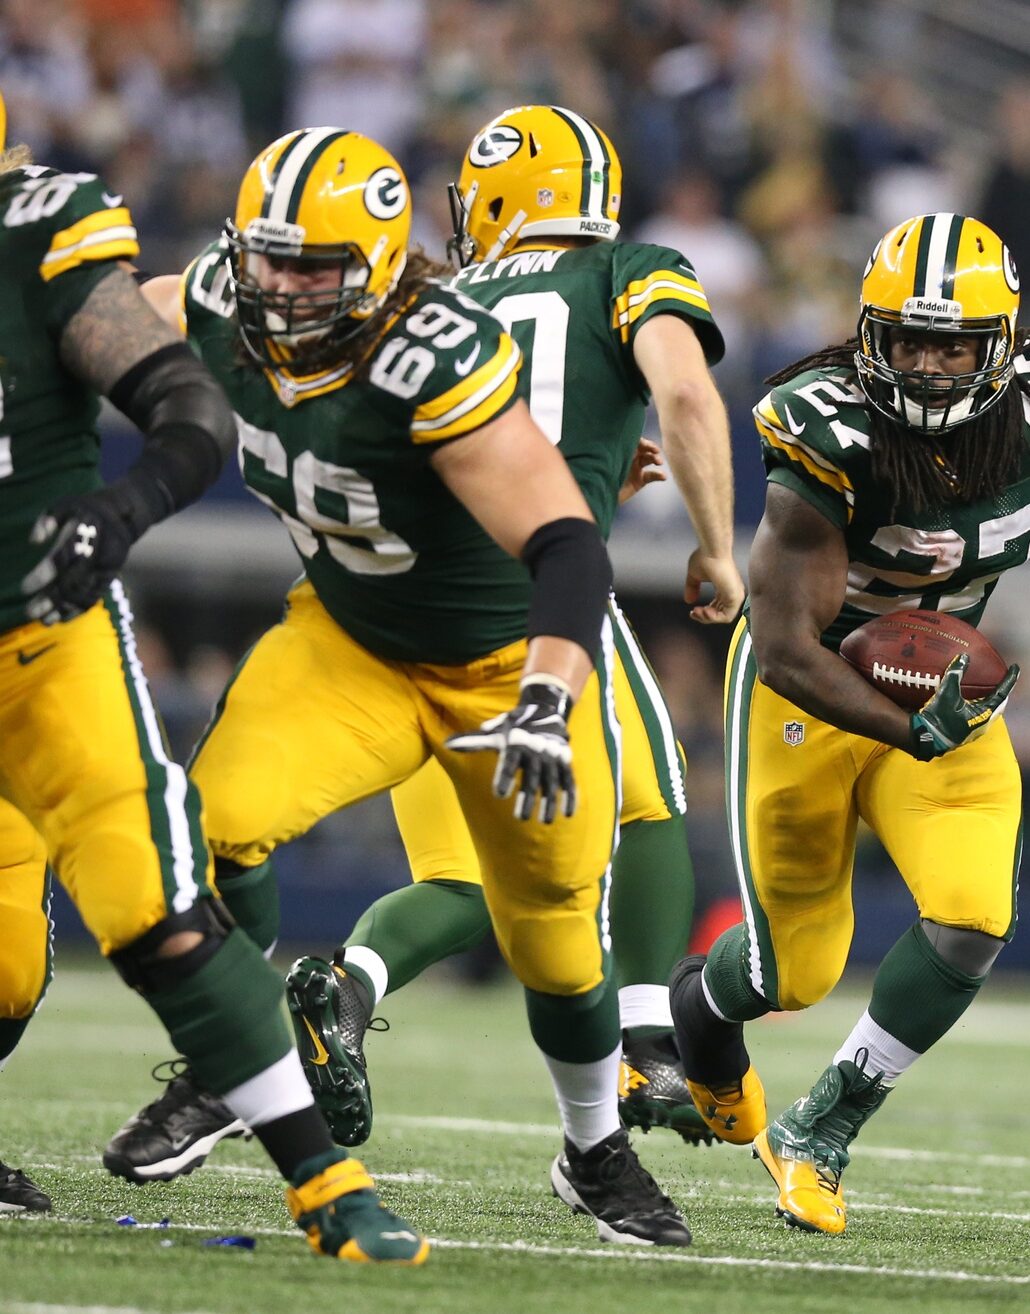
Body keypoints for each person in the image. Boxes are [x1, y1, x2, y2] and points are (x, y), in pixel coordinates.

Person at [105, 125, 692, 1246]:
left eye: (313, 268)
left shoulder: (432, 353)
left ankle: (593, 1149)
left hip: (495, 661)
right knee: (213, 821)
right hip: (351, 638)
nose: (282, 288)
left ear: (375, 264)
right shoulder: (228, 291)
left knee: (558, 938)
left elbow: (568, 545)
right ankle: (232, 1065)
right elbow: (117, 319)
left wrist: (548, 698)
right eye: (268, 258)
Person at [0, 92, 427, 1263]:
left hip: (37, 642)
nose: (286, 285)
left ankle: (328, 1182)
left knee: (153, 907)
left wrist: (119, 506)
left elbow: (180, 401)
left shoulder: (37, 237)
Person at [279, 104, 743, 1158]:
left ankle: (349, 983)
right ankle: (642, 1043)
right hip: (530, 594)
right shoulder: (624, 270)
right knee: (651, 792)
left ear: (496, 195)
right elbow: (684, 389)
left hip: (394, 601)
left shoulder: (430, 296)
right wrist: (715, 545)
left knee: (469, 880)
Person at [668, 212, 1023, 1235]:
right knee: (795, 972)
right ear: (869, 332)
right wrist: (903, 729)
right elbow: (783, 645)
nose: (924, 364)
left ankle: (821, 1126)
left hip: (942, 695)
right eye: (906, 339)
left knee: (970, 920)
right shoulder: (826, 427)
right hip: (807, 695)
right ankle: (696, 1009)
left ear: (998, 345)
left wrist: (940, 716)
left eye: (951, 344)